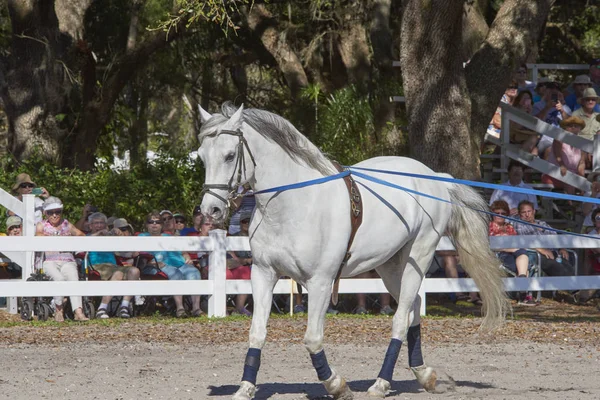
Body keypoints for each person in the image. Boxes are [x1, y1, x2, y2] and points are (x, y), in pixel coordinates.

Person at [35, 196, 90, 321]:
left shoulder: (66, 224)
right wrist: (56, 239)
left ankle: (78, 312)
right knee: (58, 278)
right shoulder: (42, 225)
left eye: (57, 212)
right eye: (50, 212)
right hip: (50, 260)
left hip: (67, 259)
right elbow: (38, 235)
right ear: (45, 213)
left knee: (73, 279)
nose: (54, 215)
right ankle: (59, 309)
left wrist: (70, 239)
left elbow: (81, 234)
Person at [139, 211, 202, 317]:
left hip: (179, 263)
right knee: (175, 273)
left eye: (158, 222)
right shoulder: (142, 237)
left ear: (161, 225)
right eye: (151, 222)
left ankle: (196, 308)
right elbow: (137, 253)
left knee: (194, 272)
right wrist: (148, 260)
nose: (154, 224)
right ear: (146, 225)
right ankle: (180, 309)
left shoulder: (169, 237)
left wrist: (186, 256)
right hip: (156, 266)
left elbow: (182, 251)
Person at [86, 214, 141, 319]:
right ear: (90, 225)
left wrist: (121, 236)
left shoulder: (110, 236)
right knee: (119, 274)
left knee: (135, 271)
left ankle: (124, 306)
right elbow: (80, 246)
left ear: (106, 225)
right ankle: (102, 308)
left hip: (114, 266)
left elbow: (126, 252)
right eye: (96, 223)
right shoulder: (87, 237)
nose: (99, 225)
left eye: (101, 223)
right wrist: (99, 233)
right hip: (96, 266)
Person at [488, 200, 536, 306]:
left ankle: (522, 284)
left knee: (523, 262)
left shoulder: (509, 227)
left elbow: (515, 241)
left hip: (513, 253)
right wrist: (509, 248)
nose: (500, 215)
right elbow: (489, 246)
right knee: (523, 265)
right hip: (497, 255)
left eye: (503, 213)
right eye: (497, 213)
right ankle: (525, 296)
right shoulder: (488, 227)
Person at [513, 200, 575, 277]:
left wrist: (562, 248)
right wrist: (542, 250)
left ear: (534, 211)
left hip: (552, 252)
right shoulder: (519, 224)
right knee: (555, 265)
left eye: (529, 211)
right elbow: (523, 241)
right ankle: (569, 287)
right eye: (523, 212)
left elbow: (555, 236)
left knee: (567, 263)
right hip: (536, 253)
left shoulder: (542, 223)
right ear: (519, 214)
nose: (527, 214)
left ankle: (571, 287)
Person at [541, 116, 586, 194]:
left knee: (583, 184)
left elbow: (581, 164)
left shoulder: (582, 144)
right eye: (570, 125)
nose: (573, 127)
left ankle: (580, 204)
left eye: (576, 126)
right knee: (569, 180)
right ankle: (571, 204)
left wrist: (582, 180)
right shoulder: (559, 139)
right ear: (565, 127)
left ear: (580, 128)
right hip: (555, 173)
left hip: (572, 176)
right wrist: (562, 165)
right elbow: (558, 157)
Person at [227, 210, 253, 316]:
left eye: (249, 221)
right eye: (244, 221)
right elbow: (230, 261)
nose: (246, 223)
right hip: (239, 267)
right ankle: (237, 308)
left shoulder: (258, 238)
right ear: (240, 223)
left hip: (257, 267)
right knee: (244, 271)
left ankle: (239, 308)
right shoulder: (232, 238)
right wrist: (246, 261)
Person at [509, 90, 539, 155]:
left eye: (528, 98)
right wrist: (523, 112)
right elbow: (515, 127)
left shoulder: (529, 111)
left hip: (523, 137)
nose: (526, 100)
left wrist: (529, 114)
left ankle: (519, 164)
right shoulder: (513, 110)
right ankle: (518, 162)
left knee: (535, 151)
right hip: (512, 135)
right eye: (524, 98)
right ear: (519, 99)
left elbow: (531, 128)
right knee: (534, 138)